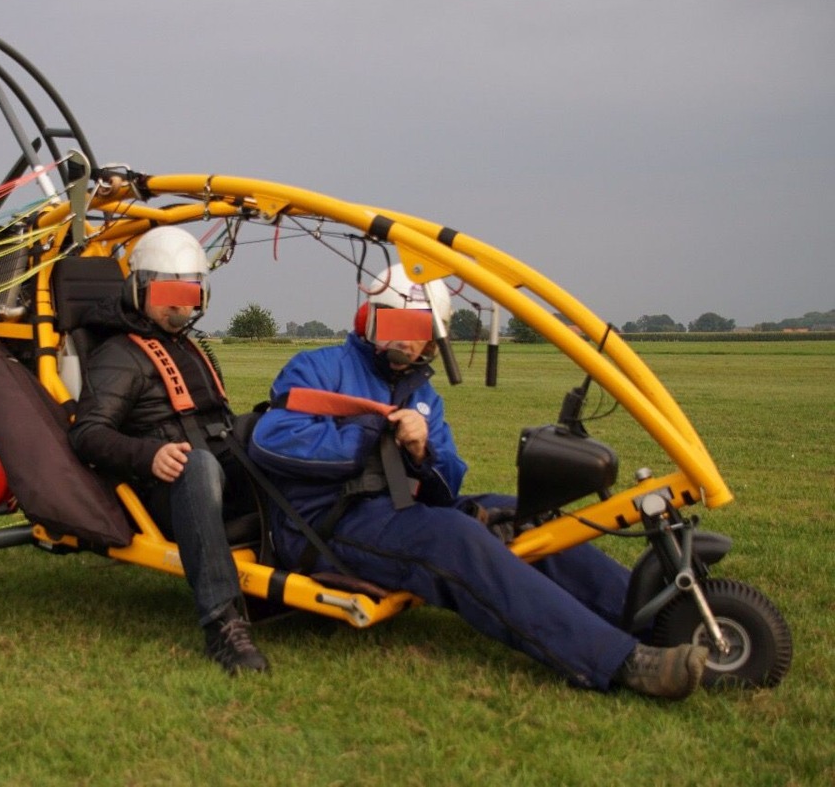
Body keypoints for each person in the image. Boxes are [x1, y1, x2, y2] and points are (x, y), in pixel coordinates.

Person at [247, 263, 707, 698]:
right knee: (456, 538)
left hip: (401, 510)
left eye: (422, 335)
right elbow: (273, 439)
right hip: (328, 522)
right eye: (399, 328)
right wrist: (376, 429)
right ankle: (619, 660)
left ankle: (664, 619)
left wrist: (423, 452)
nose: (409, 345)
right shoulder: (318, 367)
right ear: (369, 319)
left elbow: (448, 484)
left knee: (524, 516)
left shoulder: (423, 395)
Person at [67, 226, 268, 675]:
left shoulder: (184, 347)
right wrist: (149, 456)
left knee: (274, 431)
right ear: (139, 289)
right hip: (169, 485)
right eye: (169, 292)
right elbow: (88, 434)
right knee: (197, 464)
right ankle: (223, 624)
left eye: (190, 292)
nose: (181, 304)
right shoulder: (119, 355)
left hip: (219, 463)